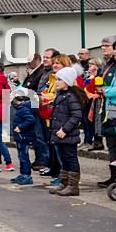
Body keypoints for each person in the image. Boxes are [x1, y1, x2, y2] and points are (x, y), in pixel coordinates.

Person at [48, 67, 87, 196]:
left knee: (71, 158)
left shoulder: (71, 97)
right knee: (64, 159)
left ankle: (73, 185)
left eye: (59, 79)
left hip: (67, 134)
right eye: (56, 79)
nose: (56, 82)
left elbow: (76, 116)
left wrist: (65, 129)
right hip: (59, 134)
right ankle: (64, 182)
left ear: (67, 81)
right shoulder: (61, 95)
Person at [10, 90, 36, 185]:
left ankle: (26, 175)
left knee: (23, 156)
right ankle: (23, 174)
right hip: (21, 136)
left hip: (23, 135)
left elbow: (30, 119)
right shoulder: (22, 108)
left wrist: (20, 127)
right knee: (21, 156)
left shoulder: (23, 109)